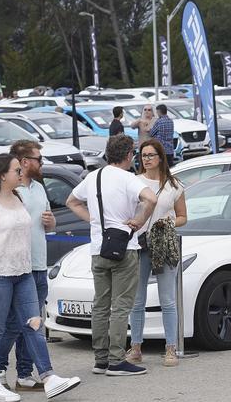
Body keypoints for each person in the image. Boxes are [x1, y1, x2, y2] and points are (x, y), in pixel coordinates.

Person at [0, 153, 81, 402]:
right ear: (2, 174)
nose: (21, 173)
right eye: (16, 170)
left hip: (23, 272)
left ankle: (49, 377)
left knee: (34, 324)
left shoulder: (17, 197)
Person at [66, 134, 158, 376]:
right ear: (129, 155)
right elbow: (151, 198)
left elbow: (72, 201)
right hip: (125, 247)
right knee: (121, 306)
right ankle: (118, 360)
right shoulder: (127, 178)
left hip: (98, 248)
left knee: (101, 305)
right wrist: (138, 221)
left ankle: (101, 359)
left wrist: (95, 221)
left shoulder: (93, 176)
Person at [0, 140, 57, 392]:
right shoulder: (10, 189)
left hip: (39, 263)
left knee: (33, 323)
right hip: (17, 267)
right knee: (13, 323)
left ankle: (24, 373)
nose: (41, 163)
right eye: (38, 159)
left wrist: (51, 221)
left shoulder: (40, 188)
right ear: (24, 162)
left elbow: (49, 225)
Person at [127, 139, 187, 367]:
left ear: (161, 157)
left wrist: (168, 221)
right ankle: (136, 348)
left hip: (164, 243)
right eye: (143, 155)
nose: (147, 159)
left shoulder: (174, 185)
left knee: (167, 299)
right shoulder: (134, 182)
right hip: (140, 244)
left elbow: (183, 216)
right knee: (137, 299)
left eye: (151, 155)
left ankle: (170, 348)